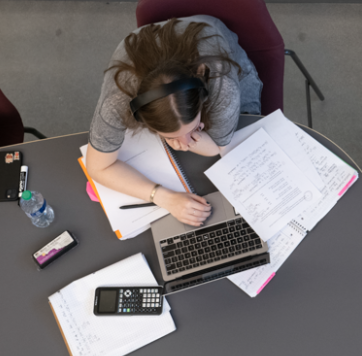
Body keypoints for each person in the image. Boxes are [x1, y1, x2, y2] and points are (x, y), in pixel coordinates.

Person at [85, 15, 262, 227]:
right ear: (142, 119)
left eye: (192, 127)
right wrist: (162, 196)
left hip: (226, 59)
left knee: (246, 130)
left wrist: (195, 143)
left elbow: (219, 146)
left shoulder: (221, 84)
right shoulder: (117, 101)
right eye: (171, 136)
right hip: (157, 52)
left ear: (202, 97)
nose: (184, 141)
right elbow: (97, 168)